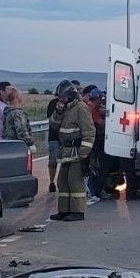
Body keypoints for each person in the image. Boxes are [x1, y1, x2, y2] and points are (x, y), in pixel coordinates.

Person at [50, 80, 95, 221]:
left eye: (62, 97)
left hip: (77, 152)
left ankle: (78, 212)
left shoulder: (81, 108)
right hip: (66, 152)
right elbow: (54, 125)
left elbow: (89, 131)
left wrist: (84, 152)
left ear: (70, 95)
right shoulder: (65, 108)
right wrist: (58, 112)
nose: (60, 100)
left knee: (75, 181)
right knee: (62, 181)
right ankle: (64, 210)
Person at [85, 88, 109, 205]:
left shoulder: (90, 106)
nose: (102, 101)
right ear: (98, 99)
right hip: (92, 142)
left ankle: (93, 191)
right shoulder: (91, 108)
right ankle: (91, 192)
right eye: (101, 99)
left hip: (90, 141)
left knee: (93, 167)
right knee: (93, 167)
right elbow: (100, 123)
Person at [1, 88, 36, 153]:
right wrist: (30, 143)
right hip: (18, 148)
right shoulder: (17, 113)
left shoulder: (7, 112)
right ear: (16, 97)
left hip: (8, 146)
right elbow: (22, 132)